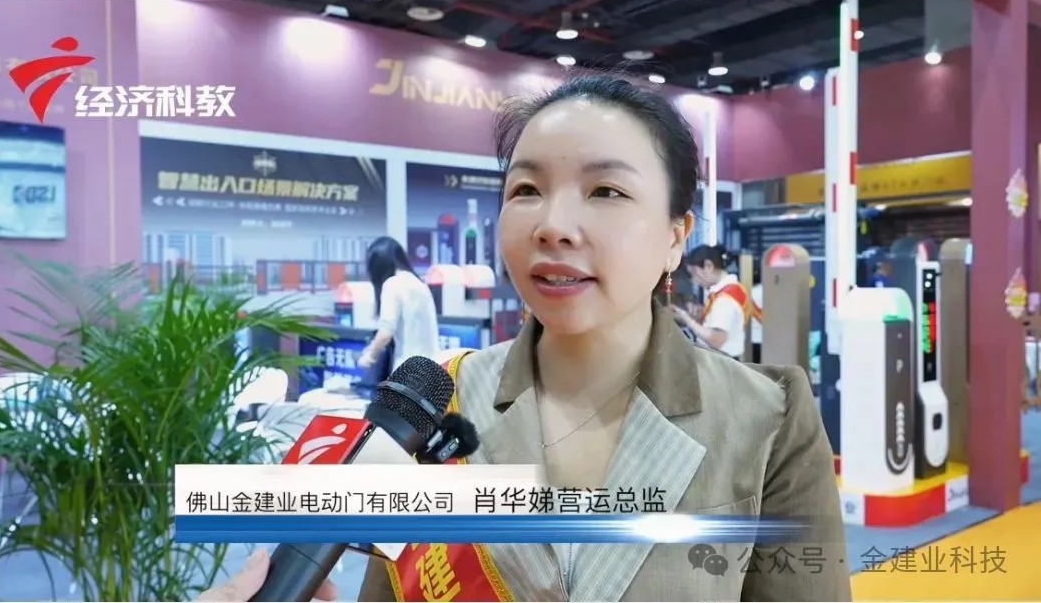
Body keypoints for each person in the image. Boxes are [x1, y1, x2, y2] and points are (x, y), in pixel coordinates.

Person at [202, 73, 850, 602]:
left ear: (676, 235)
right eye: (528, 189)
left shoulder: (768, 416)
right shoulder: (440, 402)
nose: (553, 224)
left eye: (605, 190)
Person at [356, 236, 440, 371]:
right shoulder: (420, 284)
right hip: (432, 370)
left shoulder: (393, 284)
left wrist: (369, 356)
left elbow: (386, 331)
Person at [673, 244, 752, 360]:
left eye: (694, 274)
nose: (694, 281)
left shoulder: (724, 300)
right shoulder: (732, 289)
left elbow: (716, 340)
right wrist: (699, 318)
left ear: (708, 266)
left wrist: (686, 319)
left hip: (722, 361)